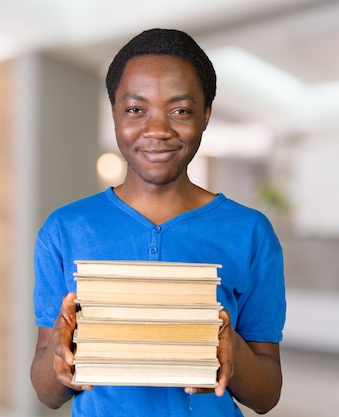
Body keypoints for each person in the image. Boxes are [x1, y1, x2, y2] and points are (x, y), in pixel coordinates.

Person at [30, 28, 286, 417]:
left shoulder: (250, 232)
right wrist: (60, 357)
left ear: (206, 116)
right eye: (136, 109)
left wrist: (228, 348)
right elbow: (48, 393)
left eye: (180, 110)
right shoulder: (65, 229)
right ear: (114, 111)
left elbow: (266, 396)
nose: (157, 130)